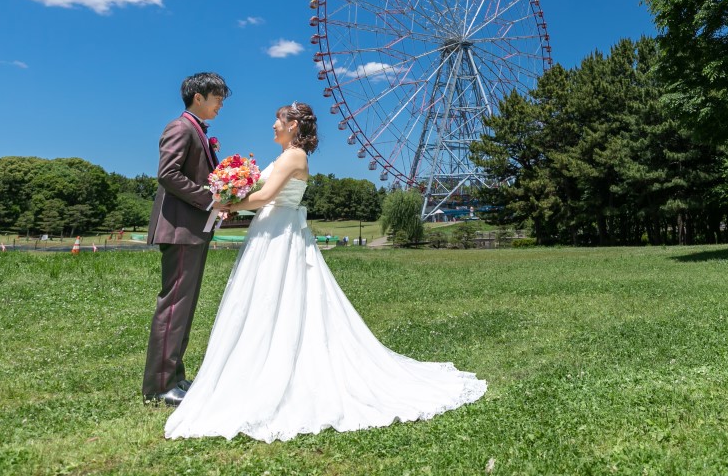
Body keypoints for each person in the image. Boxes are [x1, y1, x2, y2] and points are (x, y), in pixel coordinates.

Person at [164, 101, 487, 441]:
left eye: (278, 120)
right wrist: (235, 198)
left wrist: (226, 204)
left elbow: (266, 196)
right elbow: (261, 196)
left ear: (294, 126)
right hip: (269, 231)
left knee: (281, 296)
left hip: (281, 233)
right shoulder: (285, 155)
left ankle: (276, 366)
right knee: (263, 299)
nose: (273, 125)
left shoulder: (295, 157)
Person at [142, 72, 231, 406]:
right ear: (199, 97)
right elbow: (168, 175)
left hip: (193, 230)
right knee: (175, 306)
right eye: (217, 97)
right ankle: (160, 385)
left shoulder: (198, 131)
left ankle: (175, 376)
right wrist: (210, 199)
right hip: (180, 230)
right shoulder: (180, 128)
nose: (221, 104)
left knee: (184, 308)